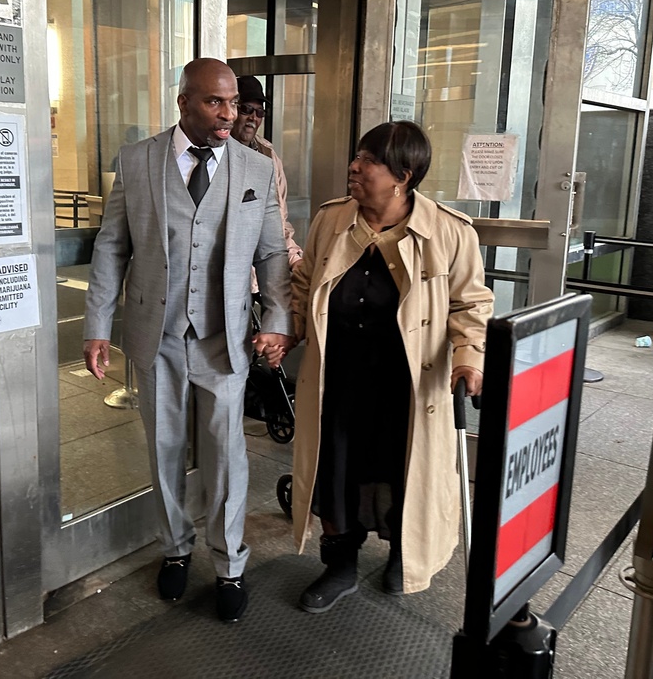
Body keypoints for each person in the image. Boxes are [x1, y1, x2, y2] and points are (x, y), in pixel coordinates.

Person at [83, 58, 293, 623]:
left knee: (227, 456)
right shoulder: (137, 160)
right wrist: (98, 324)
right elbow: (112, 246)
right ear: (184, 102)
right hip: (157, 334)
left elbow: (272, 252)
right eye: (216, 103)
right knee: (165, 449)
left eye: (234, 103)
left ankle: (229, 565)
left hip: (224, 339)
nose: (231, 114)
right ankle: (176, 550)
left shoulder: (254, 168)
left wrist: (276, 318)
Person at [288, 120, 493, 613]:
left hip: (408, 384)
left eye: (369, 162)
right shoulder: (332, 220)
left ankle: (406, 554)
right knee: (335, 471)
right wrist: (287, 330)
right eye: (357, 157)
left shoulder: (449, 231)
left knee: (404, 472)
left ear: (403, 175)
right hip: (337, 378)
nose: (354, 168)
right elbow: (302, 282)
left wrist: (469, 359)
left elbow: (471, 305)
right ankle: (339, 566)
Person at [230, 76, 304, 277]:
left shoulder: (268, 155)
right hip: (224, 276)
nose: (253, 117)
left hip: (261, 274)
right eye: (246, 109)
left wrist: (294, 258)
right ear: (232, 109)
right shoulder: (215, 154)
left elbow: (278, 220)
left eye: (259, 112)